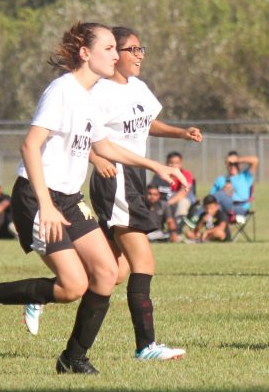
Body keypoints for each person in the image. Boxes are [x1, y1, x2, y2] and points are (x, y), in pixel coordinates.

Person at [0, 22, 187, 375]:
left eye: (117, 48)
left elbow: (105, 146)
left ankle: (73, 358)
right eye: (109, 48)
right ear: (85, 53)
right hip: (38, 197)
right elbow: (30, 146)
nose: (116, 55)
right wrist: (46, 205)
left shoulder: (89, 95)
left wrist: (153, 164)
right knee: (72, 287)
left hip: (68, 197)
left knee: (107, 272)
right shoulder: (62, 91)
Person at [86, 26, 201, 360]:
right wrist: (95, 157)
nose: (140, 56)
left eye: (141, 49)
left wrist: (181, 133)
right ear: (114, 54)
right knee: (144, 261)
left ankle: (52, 288)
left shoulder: (138, 87)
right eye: (132, 50)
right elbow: (84, 131)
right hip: (117, 176)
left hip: (135, 174)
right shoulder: (100, 91)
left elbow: (146, 123)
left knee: (114, 272)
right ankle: (146, 346)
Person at [209, 150, 258, 217]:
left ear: (238, 164)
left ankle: (196, 217)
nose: (232, 166)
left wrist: (236, 160)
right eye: (230, 164)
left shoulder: (245, 176)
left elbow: (255, 161)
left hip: (240, 208)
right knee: (216, 200)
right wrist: (223, 191)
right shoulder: (220, 180)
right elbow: (211, 198)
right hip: (221, 209)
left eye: (234, 164)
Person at [151, 151, 196, 221]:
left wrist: (168, 204)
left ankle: (179, 224)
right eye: (171, 163)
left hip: (182, 199)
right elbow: (152, 189)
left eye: (176, 163)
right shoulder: (161, 175)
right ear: (166, 163)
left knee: (182, 203)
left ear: (181, 164)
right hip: (165, 200)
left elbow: (183, 192)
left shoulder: (186, 174)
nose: (173, 165)